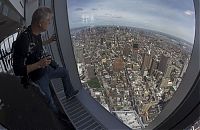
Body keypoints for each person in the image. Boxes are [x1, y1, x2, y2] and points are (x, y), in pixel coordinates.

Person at [12, 7, 79, 113]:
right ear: (40, 22)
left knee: (64, 72)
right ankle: (57, 118)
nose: (50, 22)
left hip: (45, 69)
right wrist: (39, 64)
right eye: (48, 20)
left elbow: (35, 45)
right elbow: (17, 70)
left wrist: (48, 41)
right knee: (49, 101)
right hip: (37, 77)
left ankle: (69, 93)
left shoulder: (35, 34)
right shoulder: (23, 40)